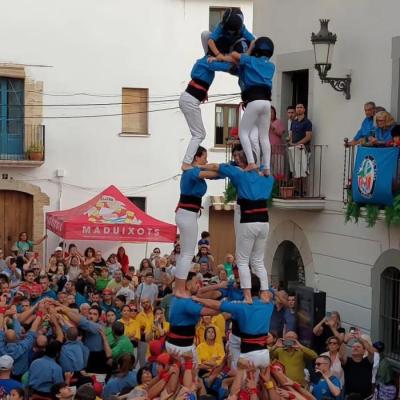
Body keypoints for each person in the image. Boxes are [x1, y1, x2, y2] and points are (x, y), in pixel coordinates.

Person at [202, 144, 275, 303]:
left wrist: (197, 167)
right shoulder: (267, 176)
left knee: (242, 260)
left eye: (238, 156)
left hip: (248, 220)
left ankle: (247, 295)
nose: (236, 159)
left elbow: (215, 167)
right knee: (258, 260)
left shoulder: (239, 174)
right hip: (264, 221)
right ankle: (264, 293)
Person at [213, 37, 275, 173]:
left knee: (243, 133)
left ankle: (252, 163)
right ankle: (267, 167)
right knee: (264, 137)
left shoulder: (251, 60)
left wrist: (250, 48)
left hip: (254, 101)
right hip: (267, 103)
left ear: (256, 50)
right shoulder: (271, 66)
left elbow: (235, 55)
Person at [193, 275, 273, 369]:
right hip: (264, 356)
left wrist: (197, 299)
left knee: (238, 379)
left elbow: (217, 305)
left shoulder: (241, 307)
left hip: (248, 355)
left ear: (245, 289)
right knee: (254, 381)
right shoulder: (269, 305)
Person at [174, 147, 219, 297]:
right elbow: (211, 173)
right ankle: (180, 289)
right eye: (204, 157)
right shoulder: (192, 172)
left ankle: (179, 287)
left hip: (187, 214)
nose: (206, 160)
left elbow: (213, 176)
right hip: (187, 215)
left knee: (185, 254)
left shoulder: (192, 172)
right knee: (187, 254)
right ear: (196, 158)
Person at [179, 56, 236, 171]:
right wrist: (239, 63)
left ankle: (189, 162)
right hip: (190, 101)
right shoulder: (209, 61)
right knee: (199, 134)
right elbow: (226, 67)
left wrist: (203, 92)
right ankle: (186, 163)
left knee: (199, 134)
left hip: (189, 99)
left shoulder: (204, 61)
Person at [165, 272, 217, 358]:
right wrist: (228, 305)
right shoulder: (186, 302)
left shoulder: (178, 298)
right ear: (188, 285)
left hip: (180, 344)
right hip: (181, 348)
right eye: (196, 283)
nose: (198, 286)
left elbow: (203, 294)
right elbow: (213, 311)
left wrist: (219, 287)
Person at [340, 329, 375, 399]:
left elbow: (372, 352)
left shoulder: (367, 361)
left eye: (358, 347)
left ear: (364, 351)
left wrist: (360, 339)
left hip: (366, 397)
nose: (355, 348)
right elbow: (341, 356)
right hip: (350, 397)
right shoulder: (347, 362)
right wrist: (344, 341)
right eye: (353, 347)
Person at [288, 103, 312, 196]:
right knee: (295, 170)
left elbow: (309, 136)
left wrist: (297, 143)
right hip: (294, 149)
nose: (298, 109)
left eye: (301, 107)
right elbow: (291, 135)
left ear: (304, 110)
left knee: (304, 170)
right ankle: (296, 191)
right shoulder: (293, 122)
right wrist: (290, 142)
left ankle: (304, 191)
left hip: (303, 149)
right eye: (297, 107)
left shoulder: (307, 122)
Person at [269, 105, 286, 175]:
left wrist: (271, 125)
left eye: (271, 112)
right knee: (269, 171)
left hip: (277, 150)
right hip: (268, 150)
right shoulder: (263, 123)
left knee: (278, 171)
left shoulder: (279, 122)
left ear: (274, 113)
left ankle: (278, 185)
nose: (270, 114)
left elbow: (280, 133)